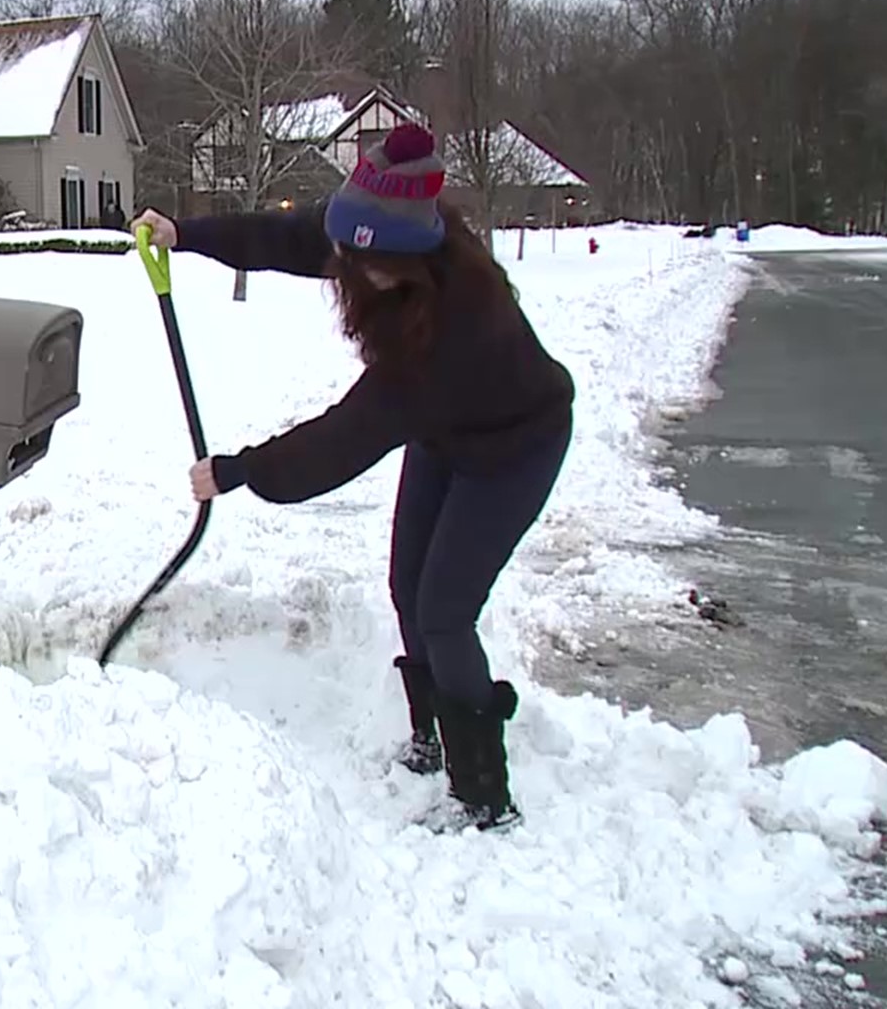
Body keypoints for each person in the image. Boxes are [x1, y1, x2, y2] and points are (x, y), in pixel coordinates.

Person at [129, 122, 574, 832]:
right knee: (407, 587)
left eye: (354, 258)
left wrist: (239, 471)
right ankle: (431, 738)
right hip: (445, 435)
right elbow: (285, 240)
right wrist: (184, 233)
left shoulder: (451, 333)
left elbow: (340, 443)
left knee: (446, 612)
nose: (338, 263)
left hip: (515, 449)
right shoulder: (379, 247)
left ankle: (485, 794)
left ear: (403, 263)